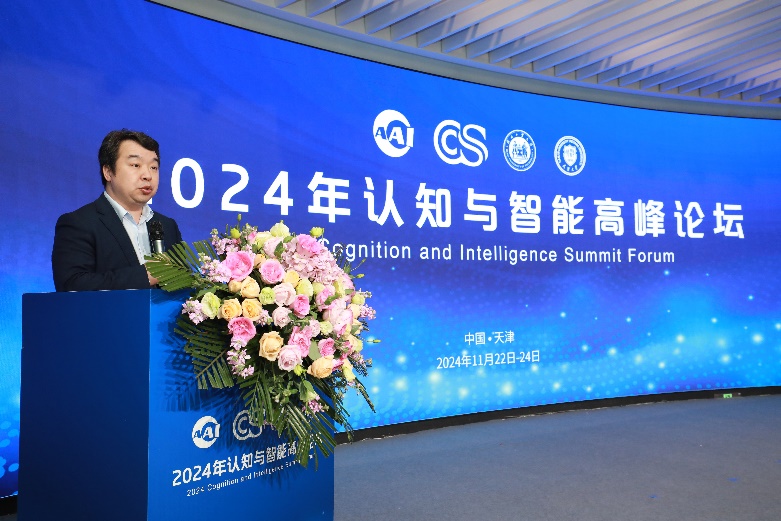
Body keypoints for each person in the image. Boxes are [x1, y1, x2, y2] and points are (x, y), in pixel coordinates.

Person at [52, 129, 182, 291]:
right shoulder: (79, 223)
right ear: (108, 172)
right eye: (136, 165)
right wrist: (145, 276)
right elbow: (72, 284)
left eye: (153, 167)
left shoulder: (168, 226)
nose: (147, 175)